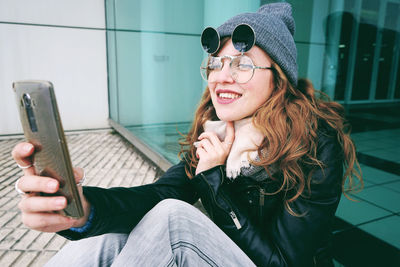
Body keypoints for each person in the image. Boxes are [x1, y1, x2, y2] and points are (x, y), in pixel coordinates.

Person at [11, 3, 362, 267]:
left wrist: (214, 179)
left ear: (279, 79)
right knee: (103, 238)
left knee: (173, 220)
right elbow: (159, 193)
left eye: (242, 64)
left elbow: (284, 260)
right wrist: (84, 210)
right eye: (216, 63)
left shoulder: (315, 144)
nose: (222, 76)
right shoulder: (217, 131)